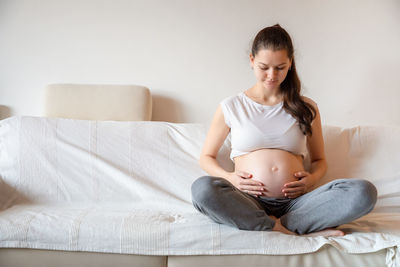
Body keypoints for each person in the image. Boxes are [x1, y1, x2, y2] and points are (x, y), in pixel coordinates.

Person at [191, 24, 377, 236]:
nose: (272, 75)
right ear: (252, 61)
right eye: (264, 67)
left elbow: (319, 161)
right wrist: (231, 178)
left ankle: (283, 224)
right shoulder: (232, 106)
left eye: (280, 67)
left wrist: (312, 180)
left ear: (290, 63)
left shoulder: (306, 108)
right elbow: (206, 157)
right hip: (248, 200)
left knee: (363, 192)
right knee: (202, 189)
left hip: (297, 203)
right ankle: (283, 228)